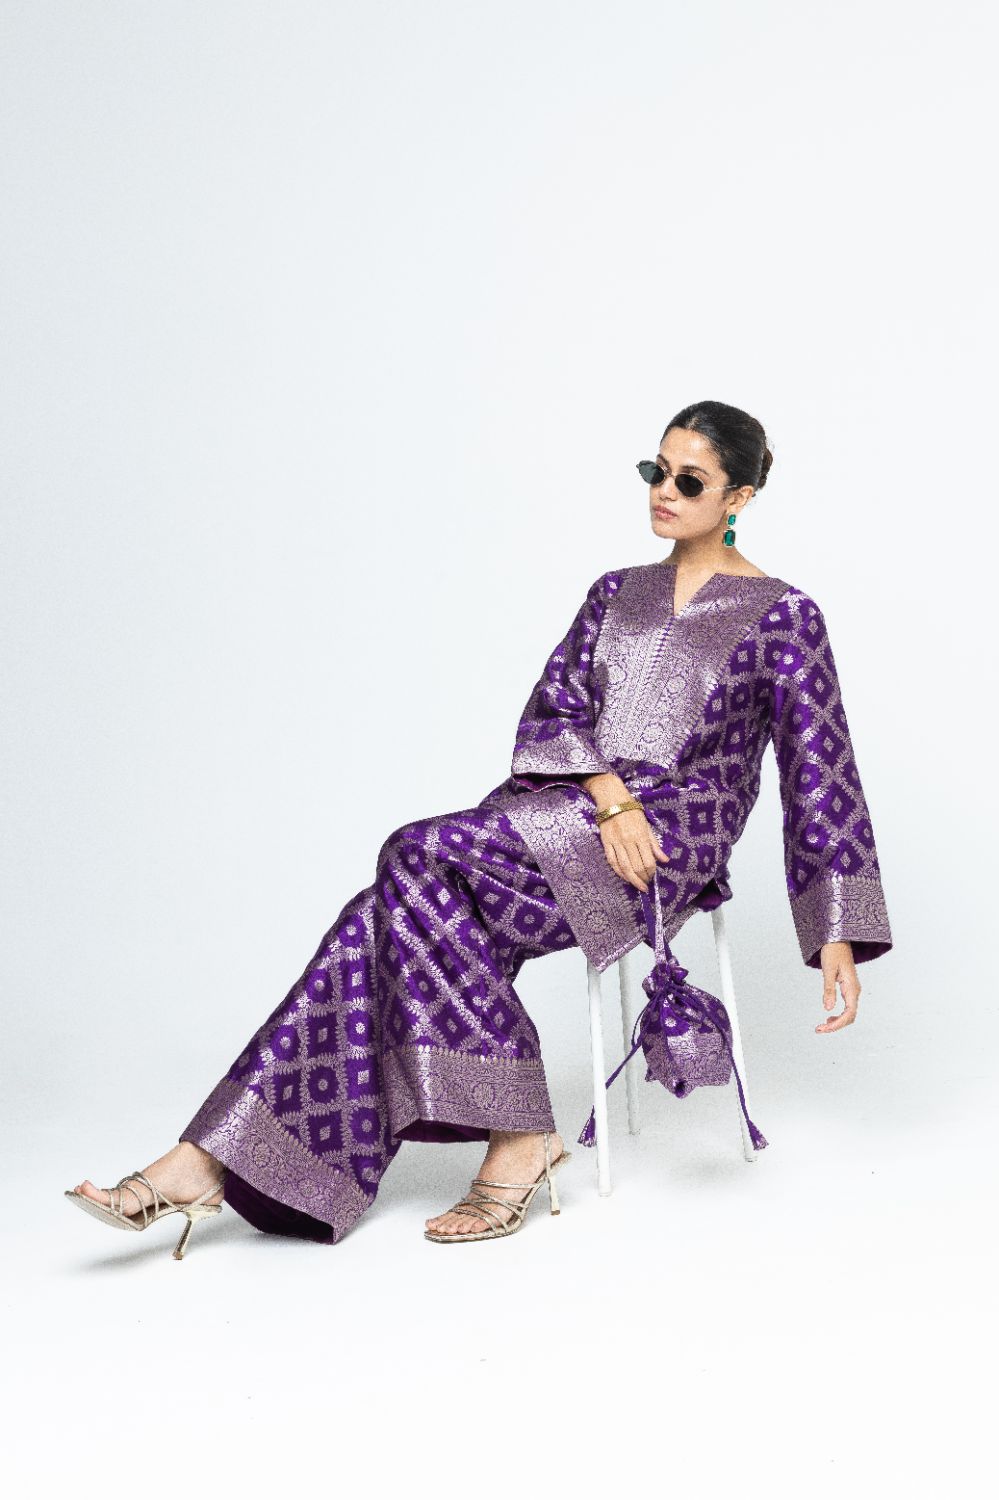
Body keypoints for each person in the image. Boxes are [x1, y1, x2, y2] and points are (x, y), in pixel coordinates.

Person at [64, 399, 893, 1257]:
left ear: (739, 497)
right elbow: (553, 712)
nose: (663, 491)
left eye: (689, 481)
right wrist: (608, 793)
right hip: (572, 812)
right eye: (655, 471)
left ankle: (510, 1132)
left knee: (412, 853)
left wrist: (833, 930)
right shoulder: (615, 593)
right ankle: (207, 1161)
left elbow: (819, 767)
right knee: (375, 918)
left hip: (667, 840)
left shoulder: (784, 616)